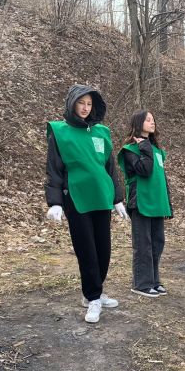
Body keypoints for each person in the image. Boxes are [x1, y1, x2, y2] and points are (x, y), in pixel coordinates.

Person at [45, 84, 128, 323]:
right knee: (87, 249)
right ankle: (92, 296)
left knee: (104, 249)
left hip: (101, 197)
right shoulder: (60, 131)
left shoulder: (102, 132)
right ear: (72, 103)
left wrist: (117, 198)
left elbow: (110, 168)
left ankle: (95, 291)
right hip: (77, 198)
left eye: (89, 104)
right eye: (81, 103)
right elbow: (54, 169)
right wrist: (55, 202)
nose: (85, 108)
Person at [117, 110, 172, 298]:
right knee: (143, 244)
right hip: (140, 202)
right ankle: (141, 284)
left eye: (153, 119)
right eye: (148, 119)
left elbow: (161, 180)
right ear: (138, 123)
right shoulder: (130, 150)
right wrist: (145, 149)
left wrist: (168, 205)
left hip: (157, 203)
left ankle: (154, 281)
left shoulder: (156, 151)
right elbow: (145, 171)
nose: (152, 122)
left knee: (157, 243)